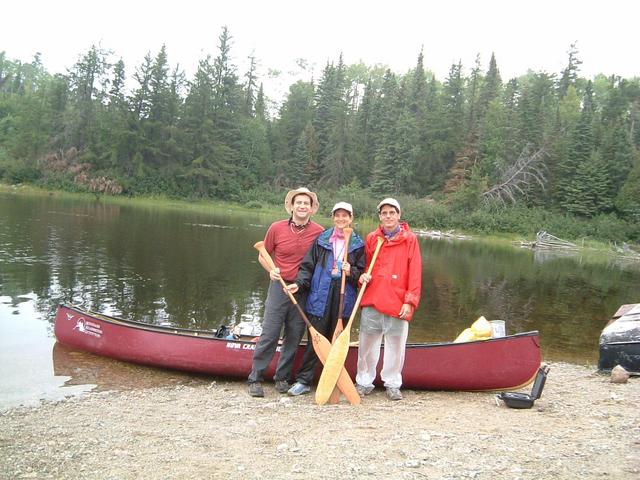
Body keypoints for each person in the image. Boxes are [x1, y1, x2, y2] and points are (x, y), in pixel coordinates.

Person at [248, 187, 324, 397]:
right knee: (270, 333)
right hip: (279, 287)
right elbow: (263, 255)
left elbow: (319, 263)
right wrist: (270, 270)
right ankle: (255, 377)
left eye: (306, 204)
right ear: (291, 206)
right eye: (298, 202)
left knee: (293, 335)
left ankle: (281, 378)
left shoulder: (318, 232)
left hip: (302, 290)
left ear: (311, 208)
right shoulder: (276, 228)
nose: (302, 206)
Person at [285, 202, 366, 396]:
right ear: (333, 217)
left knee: (337, 342)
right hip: (319, 295)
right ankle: (304, 380)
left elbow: (362, 274)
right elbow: (307, 267)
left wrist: (352, 271)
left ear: (351, 218)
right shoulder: (321, 240)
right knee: (316, 341)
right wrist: (300, 283)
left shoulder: (358, 244)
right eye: (337, 215)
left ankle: (332, 381)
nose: (341, 219)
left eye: (345, 215)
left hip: (343, 299)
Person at [356, 198, 422, 401]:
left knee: (396, 345)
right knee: (366, 344)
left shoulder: (409, 239)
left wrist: (410, 301)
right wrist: (362, 277)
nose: (388, 216)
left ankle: (392, 383)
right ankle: (364, 380)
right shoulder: (373, 238)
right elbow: (365, 266)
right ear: (380, 216)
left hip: (397, 301)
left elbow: (415, 272)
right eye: (384, 213)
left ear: (399, 215)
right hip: (373, 298)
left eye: (392, 212)